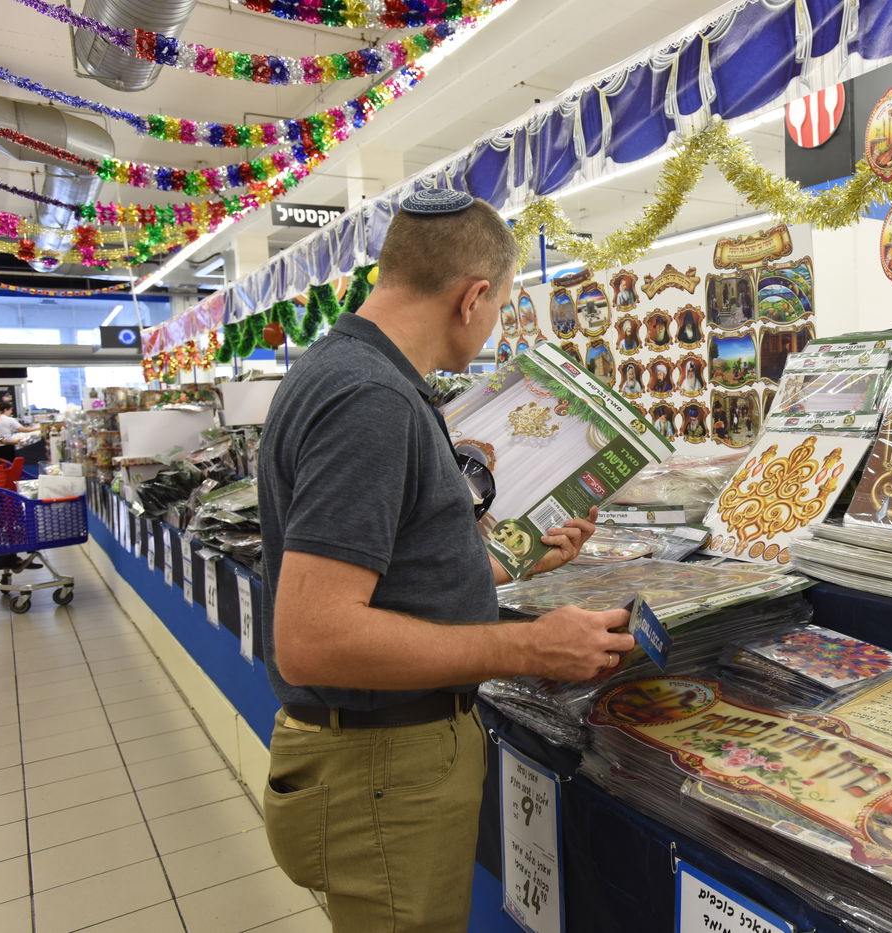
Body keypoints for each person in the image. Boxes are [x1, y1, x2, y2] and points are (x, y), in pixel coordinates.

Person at [257, 190, 634, 933]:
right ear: (472, 297)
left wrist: (508, 566)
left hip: (377, 762)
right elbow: (313, 637)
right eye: (500, 308)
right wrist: (530, 645)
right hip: (383, 769)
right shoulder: (371, 399)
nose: (493, 327)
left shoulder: (353, 370)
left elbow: (390, 569)